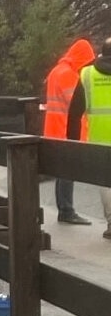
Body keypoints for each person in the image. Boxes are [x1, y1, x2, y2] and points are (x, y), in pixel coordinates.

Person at [44, 39, 95, 224]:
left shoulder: (56, 72)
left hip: (54, 128)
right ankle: (67, 210)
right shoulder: (68, 75)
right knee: (68, 171)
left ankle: (64, 209)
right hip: (65, 129)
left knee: (62, 171)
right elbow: (76, 105)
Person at [67, 37, 111, 239]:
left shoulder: (87, 74)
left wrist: (72, 144)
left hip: (99, 137)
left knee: (106, 183)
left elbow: (74, 112)